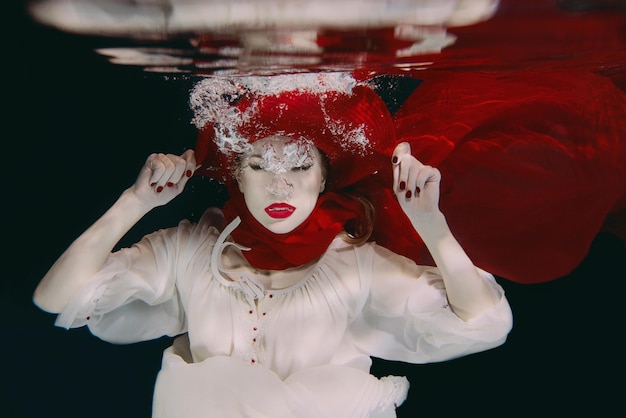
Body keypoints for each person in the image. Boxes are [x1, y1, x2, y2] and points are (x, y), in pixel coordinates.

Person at [32, 73, 513, 417]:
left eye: (300, 167)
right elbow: (55, 297)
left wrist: (431, 224)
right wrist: (133, 203)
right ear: (237, 173)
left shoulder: (355, 265)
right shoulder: (188, 249)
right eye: (260, 166)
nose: (280, 188)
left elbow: (482, 322)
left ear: (324, 175)